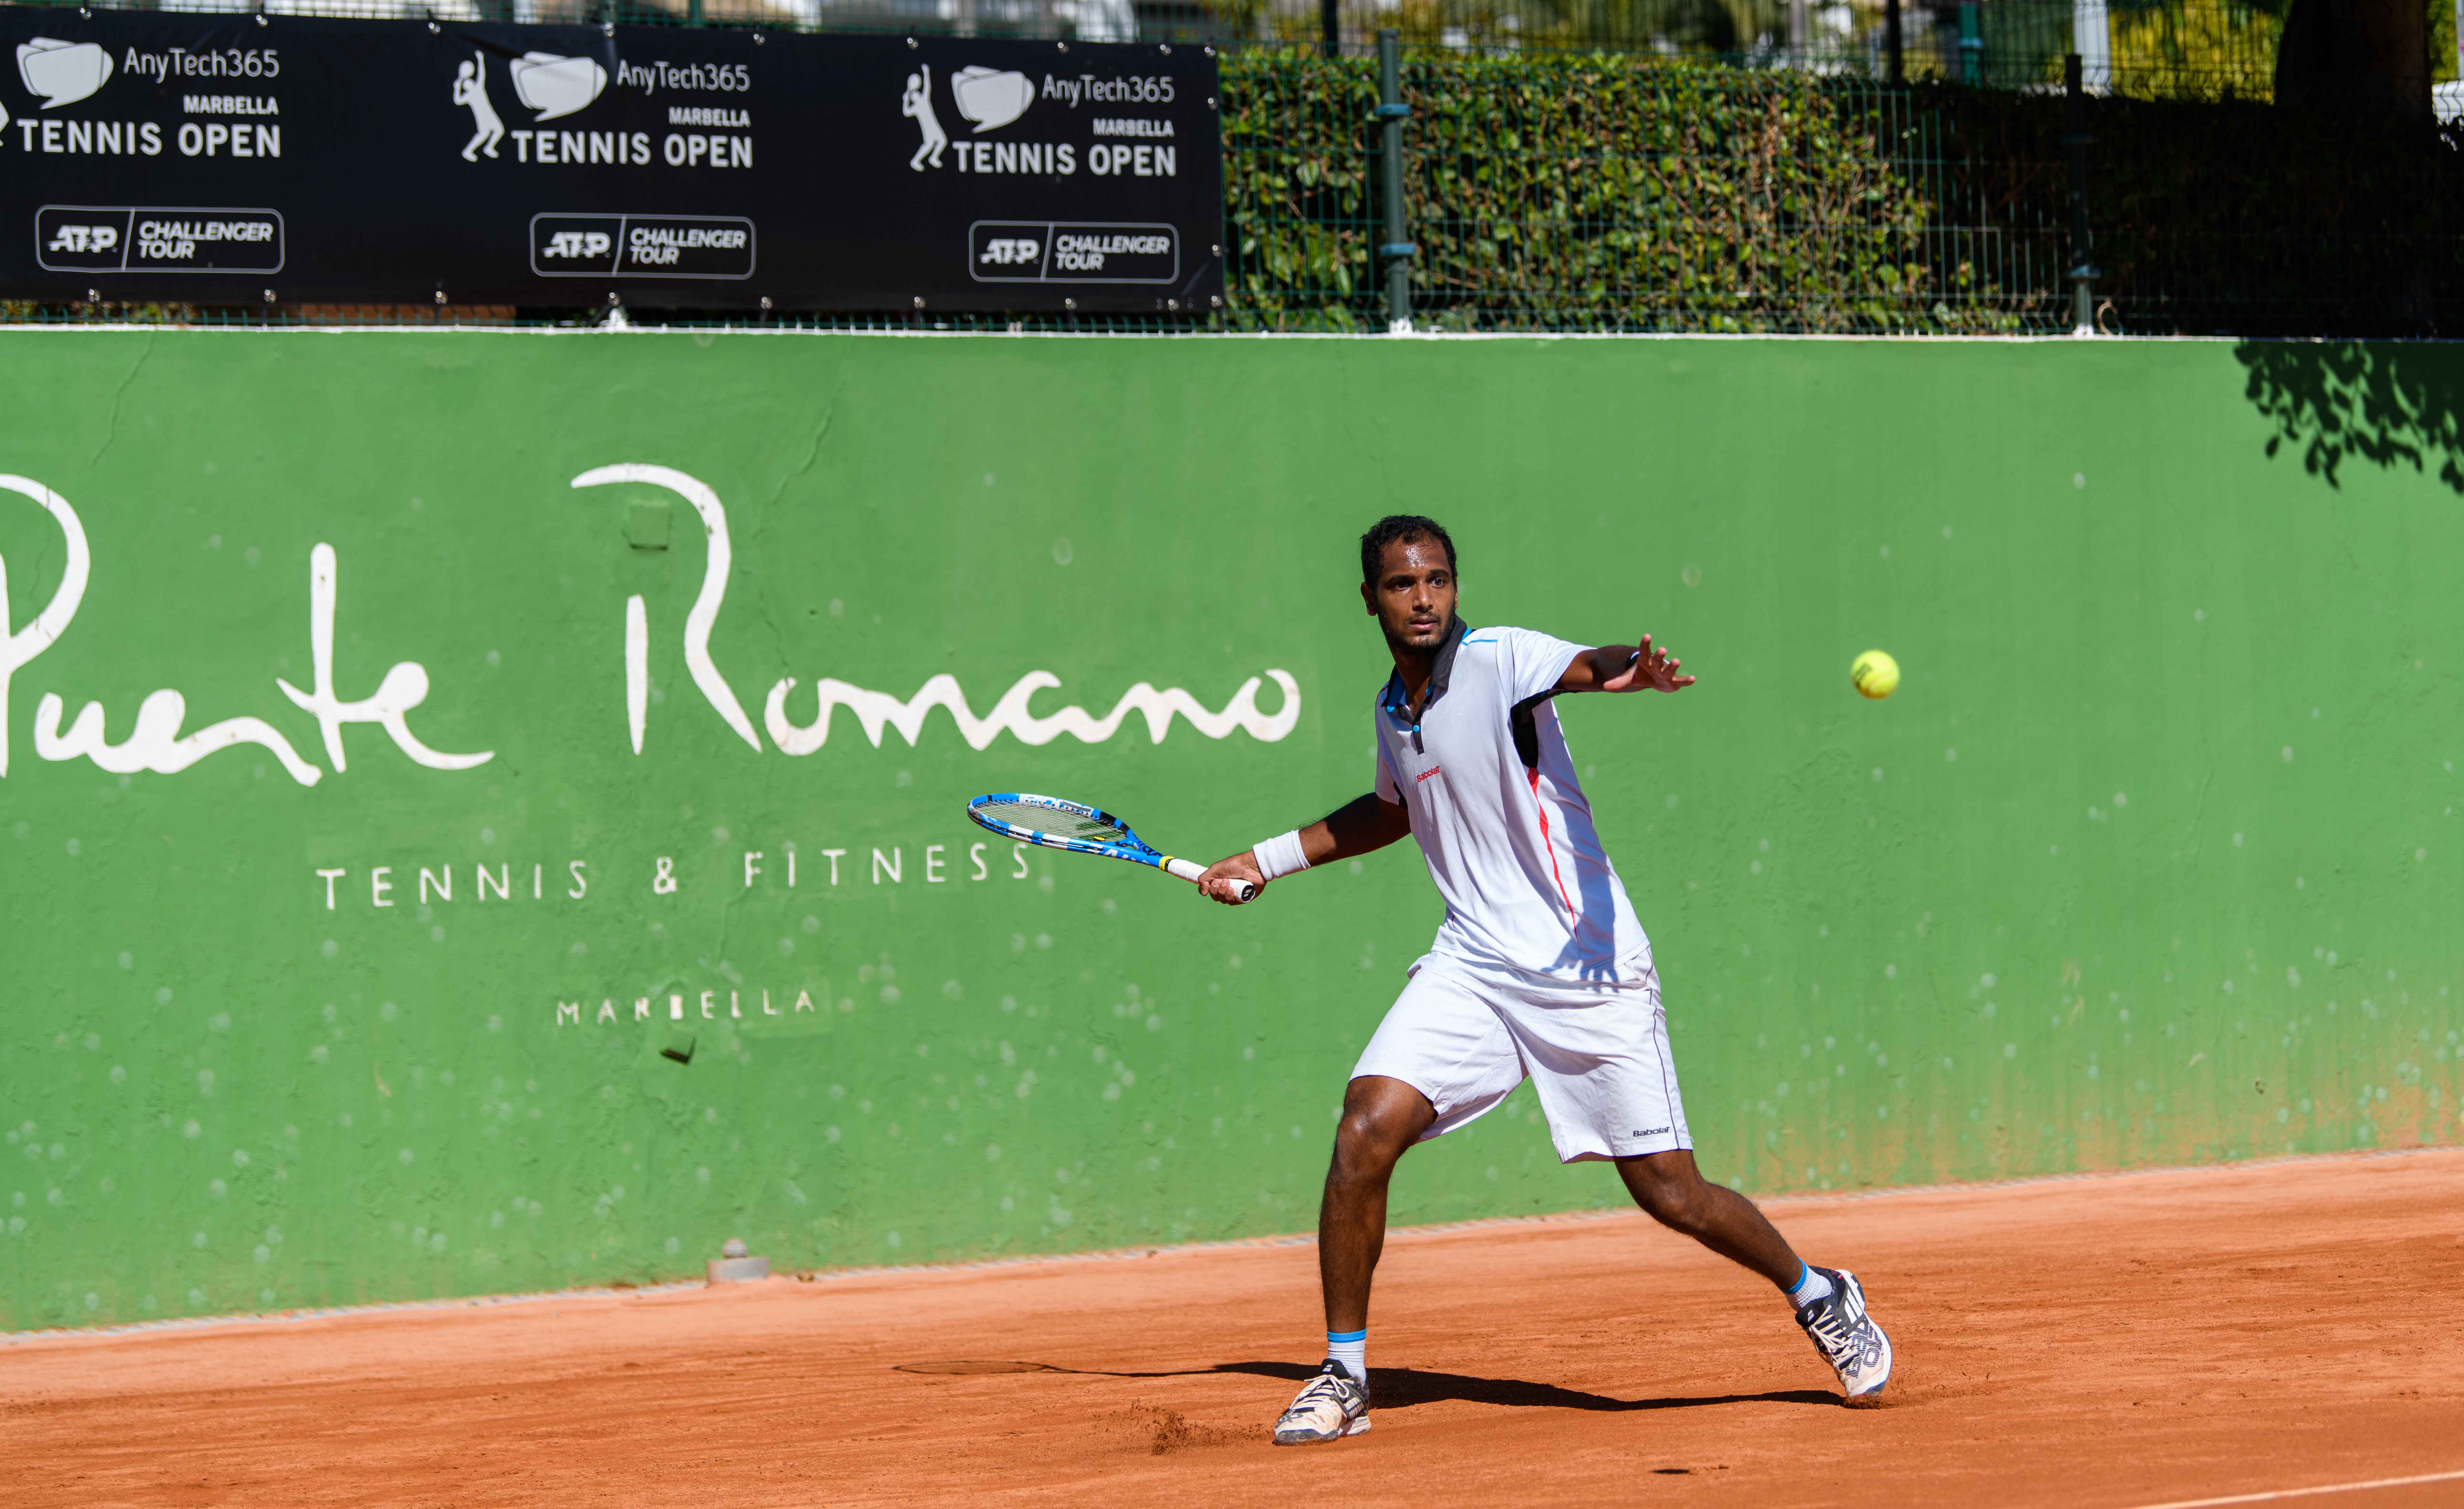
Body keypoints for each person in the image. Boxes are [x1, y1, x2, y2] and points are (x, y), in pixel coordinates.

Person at [1197, 514, 1892, 1446]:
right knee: (1365, 1128)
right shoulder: (1392, 711)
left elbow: (1581, 666)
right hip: (1475, 964)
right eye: (1402, 585)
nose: (1424, 599)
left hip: (1588, 969)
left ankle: (1817, 1292)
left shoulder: (1498, 661)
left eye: (1438, 580)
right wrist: (1264, 859)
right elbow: (1389, 810)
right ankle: (1343, 1374)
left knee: (1671, 1193)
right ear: (1370, 598)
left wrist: (1626, 671)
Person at [454, 53, 503, 163]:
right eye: (468, 84)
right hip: (482, 118)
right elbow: (458, 102)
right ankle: (468, 151)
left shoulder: (478, 89)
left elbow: (482, 75)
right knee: (484, 134)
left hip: (490, 113)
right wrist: (457, 88)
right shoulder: (472, 93)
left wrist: (481, 60)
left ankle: (488, 148)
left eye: (471, 82)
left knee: (499, 130)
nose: (471, 83)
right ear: (467, 88)